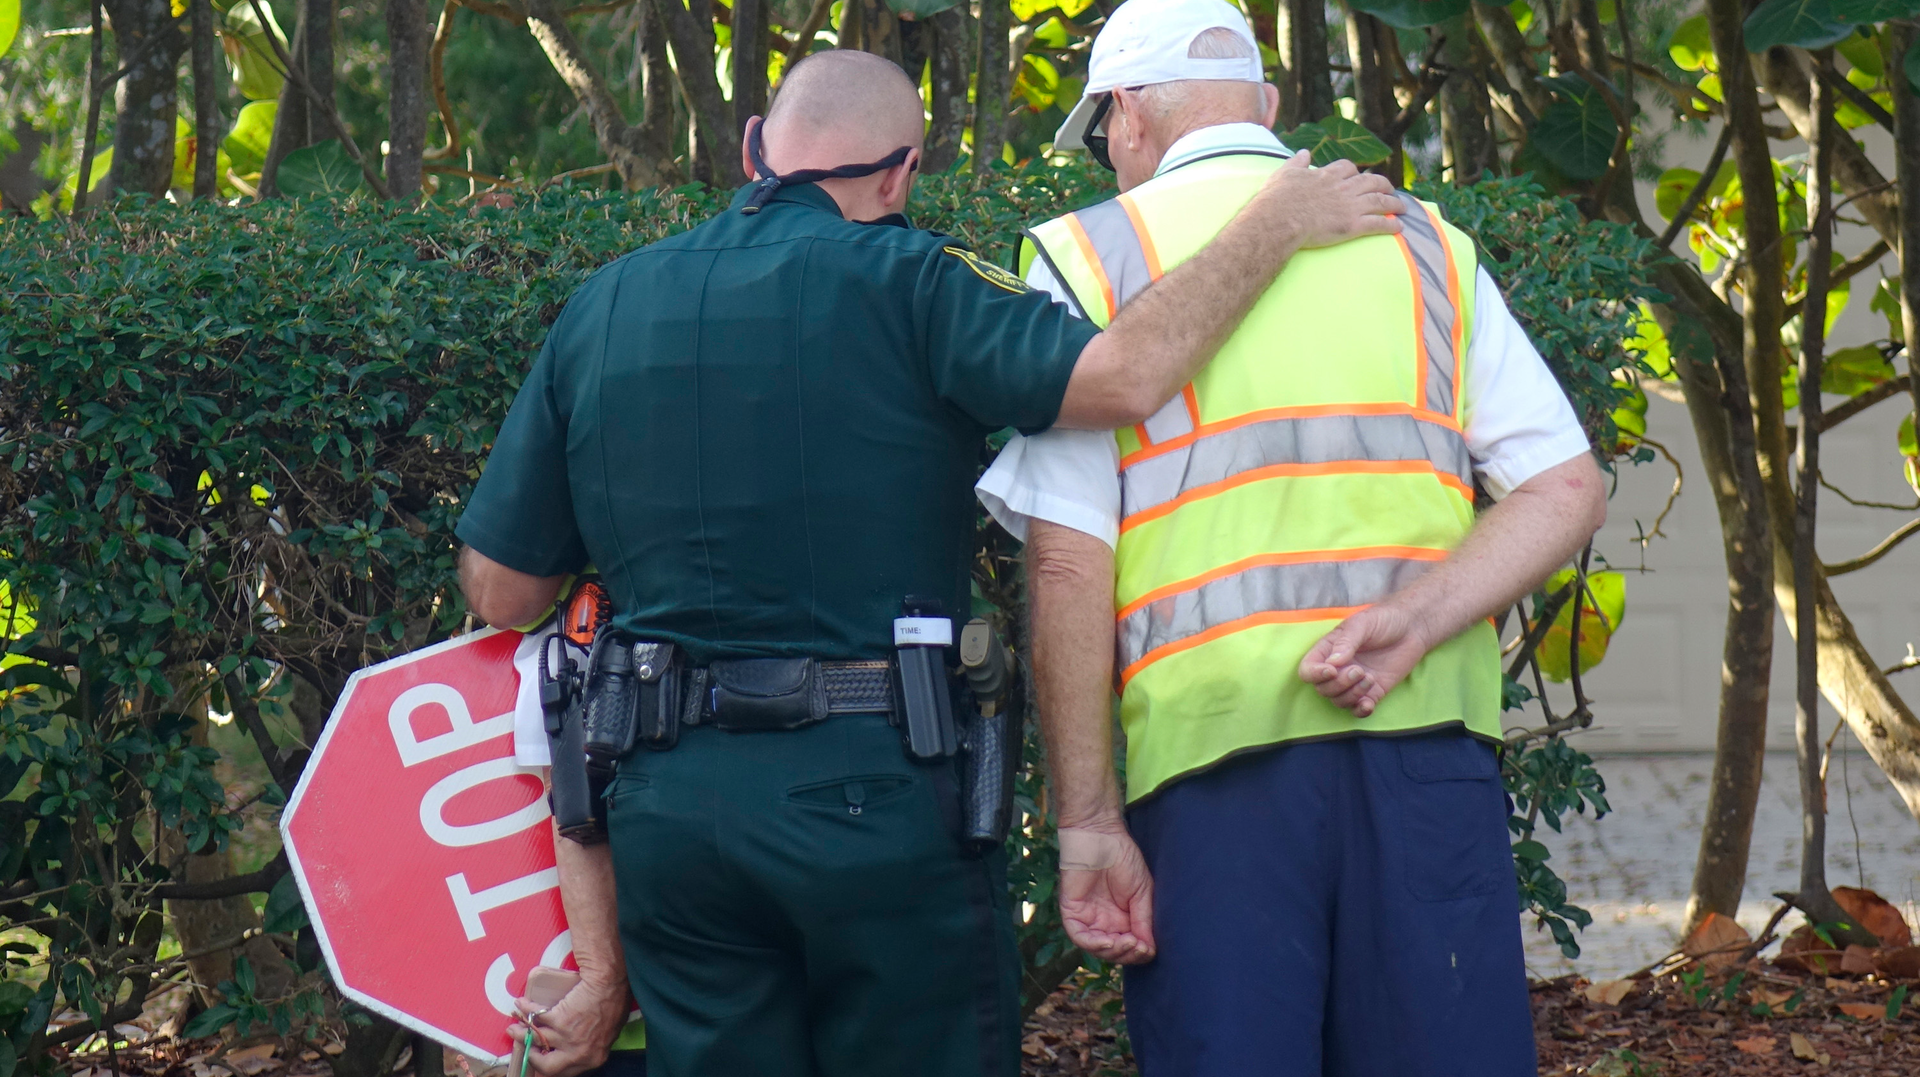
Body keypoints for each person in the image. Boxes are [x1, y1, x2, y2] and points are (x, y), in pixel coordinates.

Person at [453, 47, 1408, 1077]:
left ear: (752, 150)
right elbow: (1123, 375)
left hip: (671, 816)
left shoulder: (604, 305)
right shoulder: (915, 280)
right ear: (901, 173)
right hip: (875, 797)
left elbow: (505, 592)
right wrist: (1276, 221)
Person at [973, 1, 1609, 1074]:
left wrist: (1084, 819)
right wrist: (1416, 620)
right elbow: (1566, 482)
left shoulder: (1088, 257)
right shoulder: (1423, 244)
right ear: (1267, 106)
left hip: (1212, 767)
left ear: (1126, 115)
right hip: (1427, 749)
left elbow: (1071, 560)